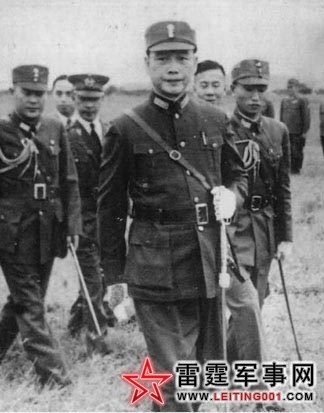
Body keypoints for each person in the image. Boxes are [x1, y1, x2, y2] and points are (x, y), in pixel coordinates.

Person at [98, 21, 247, 411]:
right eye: (162, 58)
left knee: (201, 371)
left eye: (182, 57)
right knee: (173, 376)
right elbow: (110, 210)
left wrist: (232, 196)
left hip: (207, 259)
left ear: (195, 62)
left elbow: (238, 175)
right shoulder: (125, 128)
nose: (173, 68)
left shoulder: (215, 119)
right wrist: (114, 278)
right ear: (147, 62)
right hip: (153, 265)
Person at [0, 65, 82, 387]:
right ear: (13, 91)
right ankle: (55, 378)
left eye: (39, 93)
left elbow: (69, 181)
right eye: (26, 92)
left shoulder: (55, 128)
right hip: (11, 233)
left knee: (27, 298)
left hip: (48, 231)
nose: (33, 99)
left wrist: (73, 226)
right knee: (30, 304)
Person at [194, 59, 267, 365]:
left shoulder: (226, 125)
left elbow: (239, 178)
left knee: (247, 302)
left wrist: (231, 199)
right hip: (189, 236)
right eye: (204, 85)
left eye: (216, 85)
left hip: (227, 235)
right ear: (193, 86)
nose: (210, 92)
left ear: (225, 88)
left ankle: (256, 381)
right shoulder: (177, 127)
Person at [229, 59, 292, 309]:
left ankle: (245, 338)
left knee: (258, 297)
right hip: (234, 226)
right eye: (248, 89)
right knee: (242, 300)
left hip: (264, 227)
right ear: (233, 89)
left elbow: (282, 188)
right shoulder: (222, 128)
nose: (255, 97)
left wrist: (286, 237)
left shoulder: (278, 130)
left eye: (261, 89)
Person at [63, 73, 112, 353]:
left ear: (102, 98)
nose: (89, 105)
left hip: (109, 221)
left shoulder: (111, 131)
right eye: (83, 99)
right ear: (73, 98)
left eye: (94, 99)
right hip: (81, 222)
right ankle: (97, 341)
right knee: (92, 279)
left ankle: (75, 323)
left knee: (102, 278)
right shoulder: (66, 136)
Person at [279, 78, 311, 173]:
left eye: (291, 87)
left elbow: (306, 116)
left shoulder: (302, 100)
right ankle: (288, 168)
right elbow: (281, 116)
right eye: (288, 87)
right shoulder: (284, 100)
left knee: (296, 151)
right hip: (286, 130)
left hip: (297, 131)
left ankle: (296, 169)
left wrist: (305, 131)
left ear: (297, 88)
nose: (289, 89)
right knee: (286, 150)